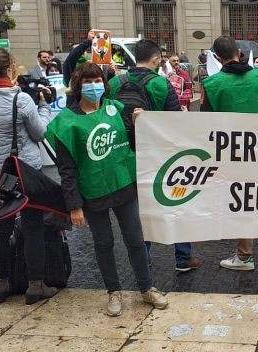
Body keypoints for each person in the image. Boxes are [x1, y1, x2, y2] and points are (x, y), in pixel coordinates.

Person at [45, 62, 168, 316]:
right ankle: (113, 291)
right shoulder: (66, 124)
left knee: (135, 240)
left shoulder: (116, 108)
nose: (94, 86)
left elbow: (134, 143)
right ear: (78, 86)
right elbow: (66, 169)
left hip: (124, 185)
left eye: (97, 80)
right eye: (87, 82)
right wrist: (74, 205)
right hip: (93, 193)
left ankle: (146, 287)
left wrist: (137, 124)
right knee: (104, 243)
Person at [0, 48, 55, 303]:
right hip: (25, 172)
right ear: (9, 68)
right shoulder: (21, 100)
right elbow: (40, 133)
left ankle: (1, 284)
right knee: (32, 226)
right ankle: (36, 285)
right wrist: (43, 105)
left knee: (0, 226)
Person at [108, 40, 200, 272]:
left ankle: (143, 258)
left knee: (139, 209)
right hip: (158, 155)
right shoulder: (161, 83)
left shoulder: (114, 82)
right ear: (156, 59)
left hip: (125, 155)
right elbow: (174, 121)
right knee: (176, 200)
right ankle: (183, 257)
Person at [201, 36, 258, 271]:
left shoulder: (212, 84)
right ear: (240, 52)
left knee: (241, 202)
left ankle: (245, 256)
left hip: (232, 155)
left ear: (217, 57)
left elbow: (206, 125)